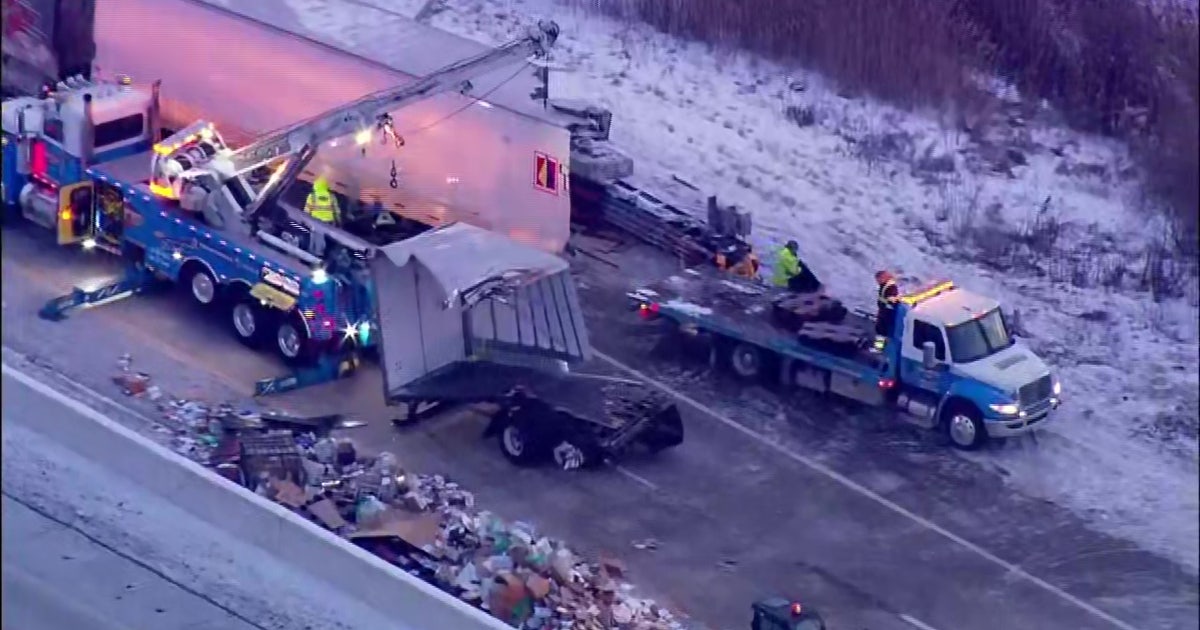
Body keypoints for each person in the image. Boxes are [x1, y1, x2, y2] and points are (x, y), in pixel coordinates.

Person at [873, 270, 900, 352]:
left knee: (881, 331)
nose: (877, 282)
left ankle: (878, 349)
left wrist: (885, 307)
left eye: (878, 279)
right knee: (883, 331)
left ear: (883, 278)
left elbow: (892, 301)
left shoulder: (890, 287)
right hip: (884, 312)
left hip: (886, 314)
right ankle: (882, 348)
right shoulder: (885, 285)